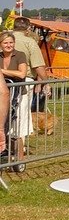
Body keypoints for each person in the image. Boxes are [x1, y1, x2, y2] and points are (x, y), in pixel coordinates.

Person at [1, 31, 31, 171]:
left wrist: (1, 71)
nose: (9, 45)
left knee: (17, 129)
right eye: (5, 43)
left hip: (19, 95)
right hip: (3, 96)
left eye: (11, 42)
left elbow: (22, 73)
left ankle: (20, 159)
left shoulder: (19, 55)